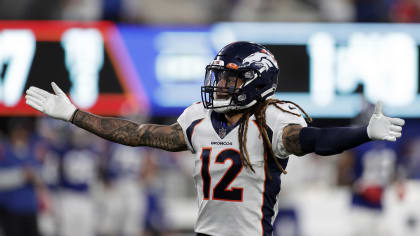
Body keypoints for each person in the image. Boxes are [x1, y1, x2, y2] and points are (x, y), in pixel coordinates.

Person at [25, 41, 405, 236]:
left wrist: (363, 133)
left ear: (256, 81)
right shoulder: (198, 119)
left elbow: (314, 139)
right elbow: (138, 134)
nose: (220, 85)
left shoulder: (272, 120)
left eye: (229, 78)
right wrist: (76, 115)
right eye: (219, 77)